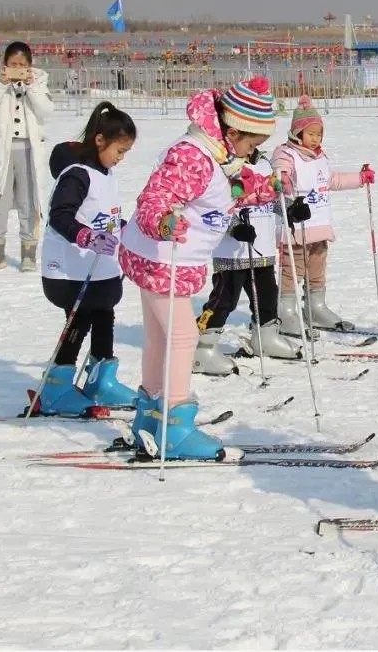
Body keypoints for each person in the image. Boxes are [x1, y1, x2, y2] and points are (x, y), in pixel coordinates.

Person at [119, 77, 281, 460]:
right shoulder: (193, 154)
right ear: (233, 130)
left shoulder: (220, 155)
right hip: (162, 258)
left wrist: (267, 188)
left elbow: (227, 191)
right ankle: (175, 425)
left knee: (161, 337)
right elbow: (155, 196)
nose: (254, 152)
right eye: (253, 143)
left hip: (163, 259)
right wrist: (162, 220)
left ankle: (149, 416)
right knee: (183, 337)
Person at [36, 102, 137, 416]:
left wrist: (124, 230)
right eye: (119, 151)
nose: (121, 159)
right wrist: (86, 236)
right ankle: (56, 385)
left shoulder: (105, 174)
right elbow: (60, 216)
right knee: (79, 318)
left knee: (104, 311)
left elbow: (103, 216)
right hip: (68, 267)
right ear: (99, 141)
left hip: (97, 265)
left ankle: (100, 380)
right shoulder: (77, 175)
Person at [193, 142, 300, 376]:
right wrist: (235, 227)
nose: (253, 143)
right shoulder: (223, 164)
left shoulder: (264, 162)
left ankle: (266, 336)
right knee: (225, 299)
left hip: (261, 246)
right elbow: (216, 204)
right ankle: (202, 345)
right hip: (231, 250)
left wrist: (289, 209)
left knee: (267, 296)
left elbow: (269, 196)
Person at [272, 95, 374, 336]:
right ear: (297, 133)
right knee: (292, 269)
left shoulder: (319, 157)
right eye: (311, 133)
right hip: (296, 226)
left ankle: (315, 307)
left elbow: (331, 180)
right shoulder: (286, 153)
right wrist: (283, 180)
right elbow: (279, 173)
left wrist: (359, 179)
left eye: (319, 134)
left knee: (317, 267)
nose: (316, 138)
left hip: (319, 224)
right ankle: (284, 310)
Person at [0, 41, 54, 273]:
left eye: (22, 64)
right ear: (4, 65)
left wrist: (31, 87)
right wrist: (2, 84)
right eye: (13, 64)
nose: (17, 68)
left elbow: (46, 110)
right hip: (0, 151)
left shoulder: (40, 82)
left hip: (29, 151)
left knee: (29, 201)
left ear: (30, 66)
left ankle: (28, 255)